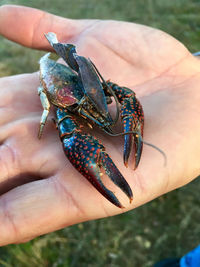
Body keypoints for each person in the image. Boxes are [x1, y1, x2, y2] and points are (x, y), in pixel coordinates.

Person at [0, 5, 200, 247]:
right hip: (54, 80)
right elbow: (66, 129)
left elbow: (124, 94)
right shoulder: (64, 111)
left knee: (119, 95)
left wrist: (189, 75)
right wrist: (46, 117)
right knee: (69, 132)